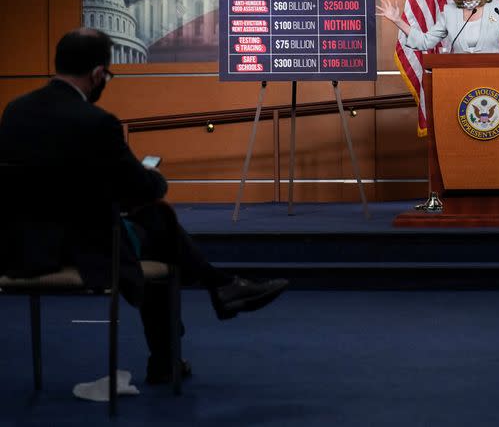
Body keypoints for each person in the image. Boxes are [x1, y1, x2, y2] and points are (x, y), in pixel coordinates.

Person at [0, 28, 289, 384]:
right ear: (96, 75)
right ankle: (197, 318)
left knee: (152, 221)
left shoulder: (14, 112)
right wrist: (151, 175)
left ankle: (221, 288)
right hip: (83, 250)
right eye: (107, 75)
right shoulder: (97, 123)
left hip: (24, 249)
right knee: (158, 224)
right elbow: (143, 188)